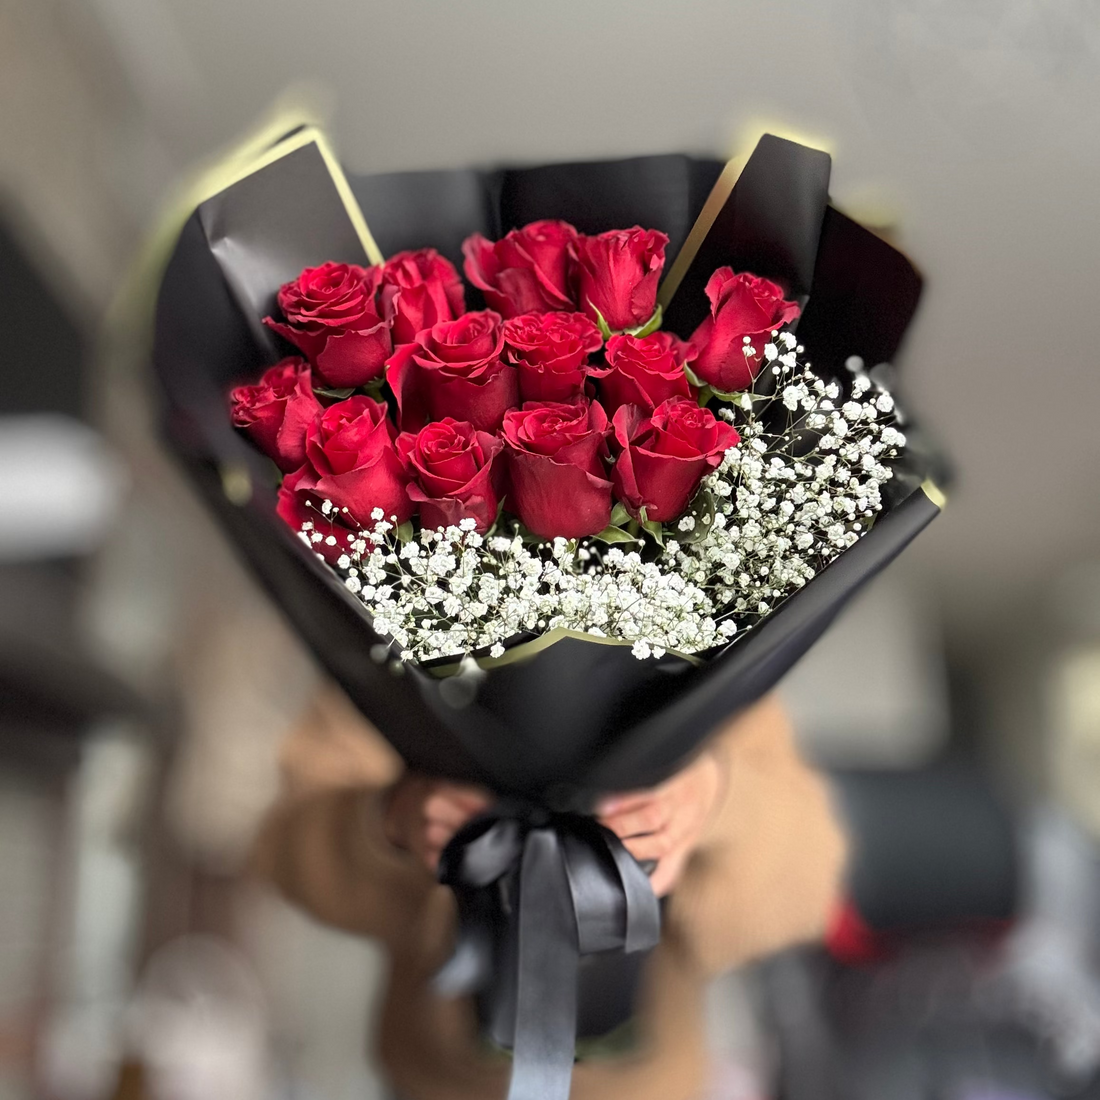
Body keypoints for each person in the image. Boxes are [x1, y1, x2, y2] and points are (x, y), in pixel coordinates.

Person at [253, 685, 847, 1100]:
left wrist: (716, 798)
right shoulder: (394, 605)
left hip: (649, 1085)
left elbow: (806, 886)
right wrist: (392, 819)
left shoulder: (716, 630)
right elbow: (285, 853)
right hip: (435, 1082)